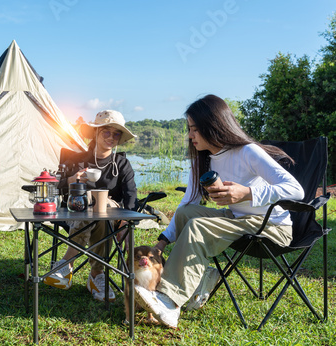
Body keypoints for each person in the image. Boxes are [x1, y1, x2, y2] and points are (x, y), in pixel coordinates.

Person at [134, 94, 304, 328]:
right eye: (189, 129)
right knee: (186, 214)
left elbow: (296, 190)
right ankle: (200, 281)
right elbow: (187, 203)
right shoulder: (204, 160)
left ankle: (170, 301)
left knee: (198, 227)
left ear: (212, 126)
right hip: (237, 220)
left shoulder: (248, 152)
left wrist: (247, 193)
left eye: (194, 129)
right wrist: (161, 243)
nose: (190, 135)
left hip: (270, 226)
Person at [43, 110, 137, 301]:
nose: (111, 137)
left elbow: (131, 197)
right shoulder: (78, 160)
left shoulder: (121, 164)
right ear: (96, 133)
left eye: (116, 134)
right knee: (94, 207)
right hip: (75, 215)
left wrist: (125, 223)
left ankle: (65, 264)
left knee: (102, 208)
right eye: (106, 132)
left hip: (112, 217)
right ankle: (96, 275)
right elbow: (54, 187)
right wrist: (71, 180)